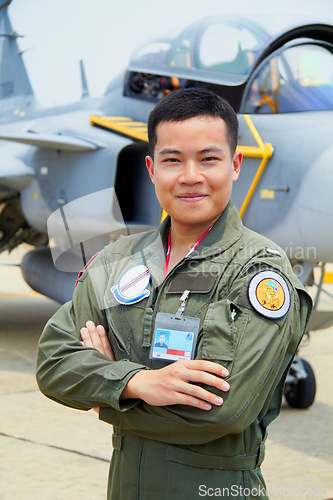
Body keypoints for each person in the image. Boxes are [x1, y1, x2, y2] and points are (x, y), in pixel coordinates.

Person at [36, 88, 312, 500]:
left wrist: (106, 397)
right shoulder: (117, 260)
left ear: (235, 165)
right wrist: (137, 383)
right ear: (151, 168)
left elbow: (223, 413)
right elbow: (53, 362)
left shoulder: (258, 273)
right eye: (172, 160)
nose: (190, 176)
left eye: (208, 159)